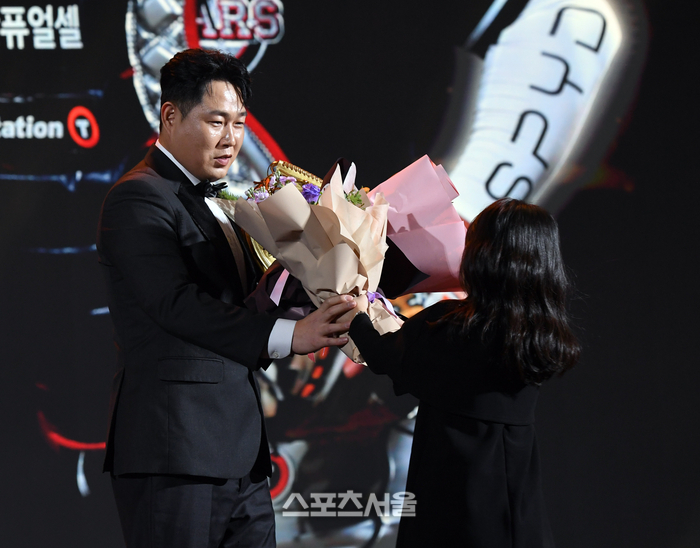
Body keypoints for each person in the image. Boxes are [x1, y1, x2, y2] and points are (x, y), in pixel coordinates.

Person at [97, 48, 356, 548]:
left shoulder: (228, 200)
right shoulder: (138, 197)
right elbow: (176, 305)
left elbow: (247, 301)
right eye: (216, 121)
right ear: (170, 116)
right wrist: (291, 334)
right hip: (174, 453)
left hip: (242, 455)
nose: (231, 138)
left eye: (238, 123)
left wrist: (319, 281)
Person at [348, 198, 580, 547]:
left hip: (451, 489)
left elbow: (386, 356)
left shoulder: (451, 326)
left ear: (482, 255)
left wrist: (354, 312)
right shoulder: (540, 332)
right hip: (513, 497)